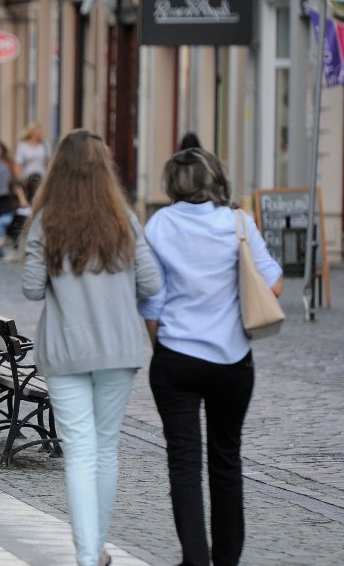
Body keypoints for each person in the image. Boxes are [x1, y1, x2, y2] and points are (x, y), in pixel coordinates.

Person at [22, 129, 162, 566]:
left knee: (79, 451)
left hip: (66, 349)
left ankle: (87, 554)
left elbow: (30, 289)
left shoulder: (47, 220)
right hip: (118, 349)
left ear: (58, 168)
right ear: (105, 169)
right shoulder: (124, 218)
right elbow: (153, 282)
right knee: (105, 448)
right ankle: (94, 550)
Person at [138, 147, 283, 566]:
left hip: (176, 357)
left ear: (171, 184)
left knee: (184, 464)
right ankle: (227, 562)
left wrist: (160, 346)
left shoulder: (160, 223)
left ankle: (195, 560)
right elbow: (273, 287)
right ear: (214, 179)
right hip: (233, 359)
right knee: (226, 460)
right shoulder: (238, 222)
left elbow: (152, 298)